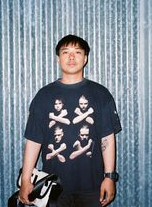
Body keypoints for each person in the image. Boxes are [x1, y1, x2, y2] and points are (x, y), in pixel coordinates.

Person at [19, 35, 122, 207]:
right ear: (58, 58)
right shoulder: (44, 96)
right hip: (53, 187)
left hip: (92, 186)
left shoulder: (101, 94)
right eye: (66, 52)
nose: (71, 57)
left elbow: (107, 139)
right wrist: (25, 178)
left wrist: (109, 177)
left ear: (85, 58)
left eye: (77, 52)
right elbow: (33, 140)